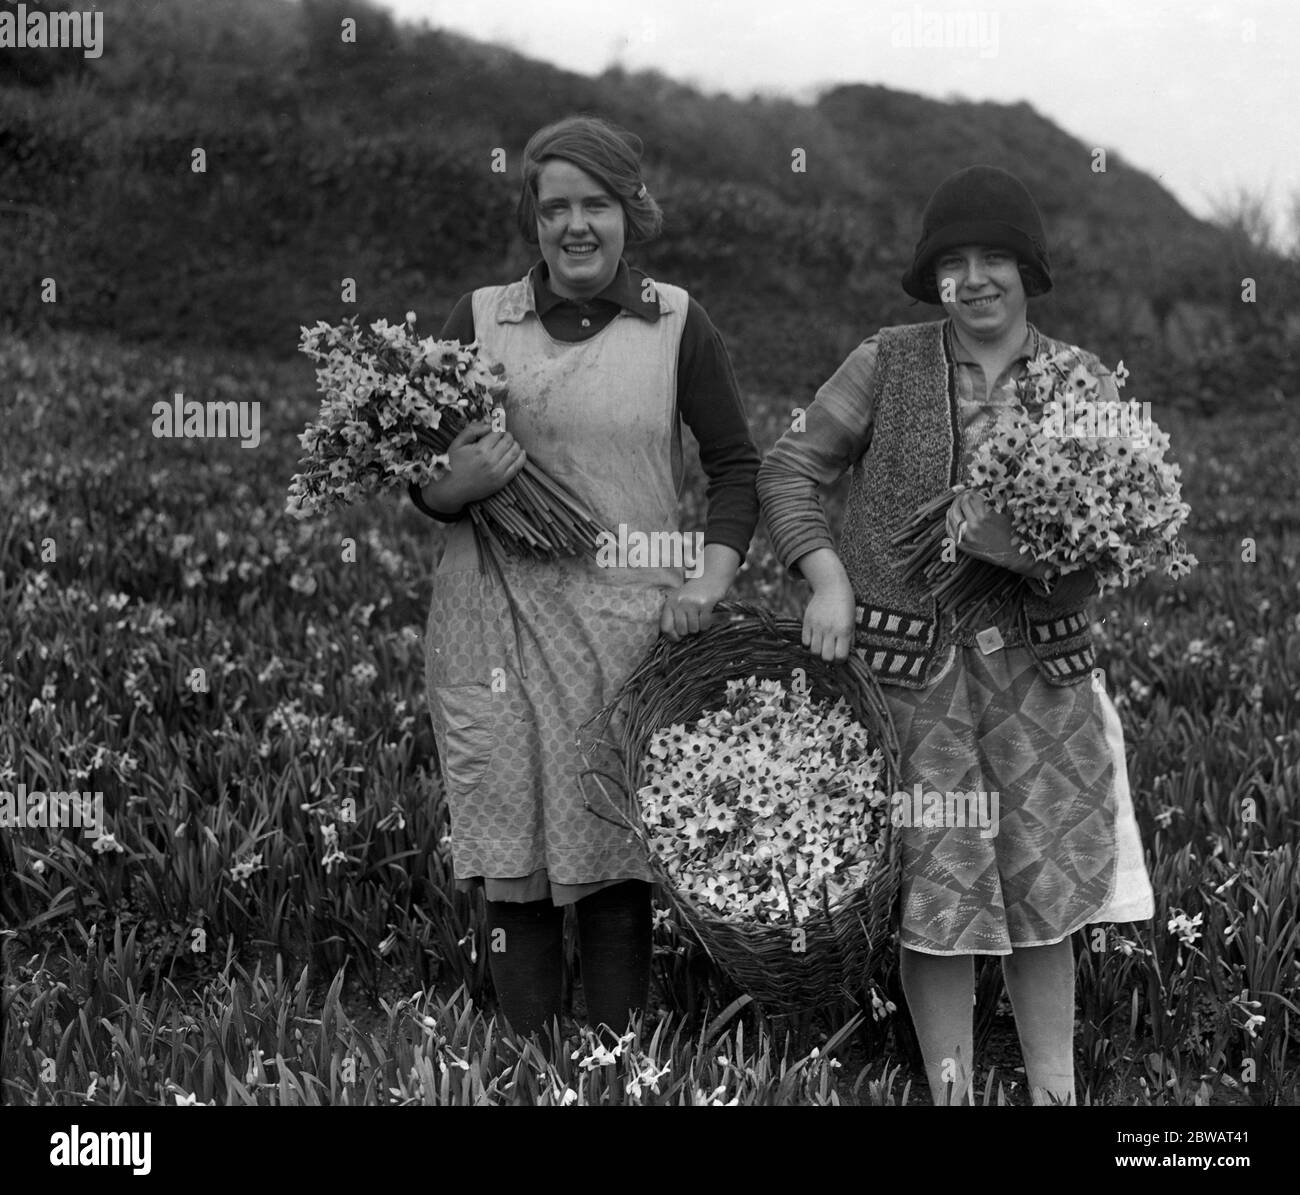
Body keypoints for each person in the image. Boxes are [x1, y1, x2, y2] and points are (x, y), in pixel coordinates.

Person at [757, 165, 1154, 1104]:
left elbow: (1118, 544)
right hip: (912, 674)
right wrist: (826, 577)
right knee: (936, 883)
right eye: (954, 264)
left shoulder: (1079, 382)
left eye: (997, 260)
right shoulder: (887, 363)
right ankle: (953, 1092)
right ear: (934, 278)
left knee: (1043, 884)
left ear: (1030, 272)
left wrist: (1014, 553)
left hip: (1040, 676)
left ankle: (1057, 1090)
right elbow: (789, 466)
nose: (975, 280)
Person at [410, 116, 759, 1044]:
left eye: (595, 205)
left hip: (625, 632)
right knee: (510, 849)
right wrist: (460, 485)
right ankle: (527, 1058)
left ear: (629, 212)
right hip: (492, 627)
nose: (576, 225)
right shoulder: (480, 319)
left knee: (613, 858)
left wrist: (706, 580)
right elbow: (423, 478)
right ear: (532, 216)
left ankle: (616, 1063)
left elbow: (736, 468)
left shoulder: (678, 321)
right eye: (554, 205)